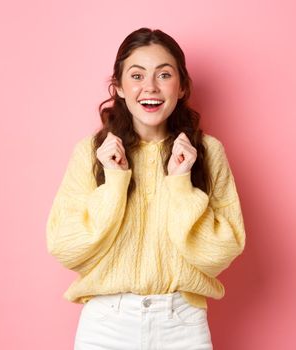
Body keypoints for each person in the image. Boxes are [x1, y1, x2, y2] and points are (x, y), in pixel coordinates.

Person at [46, 27, 246, 350]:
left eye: (163, 75)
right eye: (136, 76)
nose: (150, 87)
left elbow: (221, 252)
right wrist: (113, 184)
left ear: (181, 87)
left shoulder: (207, 153)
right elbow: (66, 247)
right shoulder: (92, 153)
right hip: (106, 326)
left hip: (182, 324)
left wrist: (181, 184)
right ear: (119, 88)